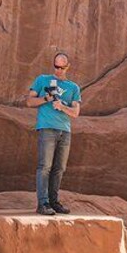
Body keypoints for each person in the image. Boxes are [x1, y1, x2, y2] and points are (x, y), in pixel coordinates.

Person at [26, 52, 81, 215]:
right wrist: (47, 98)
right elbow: (29, 101)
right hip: (47, 127)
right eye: (56, 66)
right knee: (45, 166)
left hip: (65, 130)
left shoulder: (73, 87)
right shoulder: (42, 80)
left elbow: (76, 112)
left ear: (67, 67)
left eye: (62, 67)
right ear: (53, 65)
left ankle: (53, 202)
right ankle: (42, 204)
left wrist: (62, 106)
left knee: (59, 168)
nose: (58, 70)